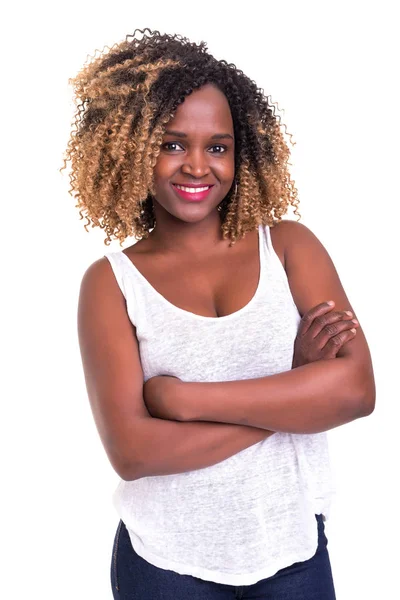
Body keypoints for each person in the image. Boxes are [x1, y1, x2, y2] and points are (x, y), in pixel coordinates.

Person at [61, 28, 375, 599]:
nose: (197, 166)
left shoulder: (289, 248)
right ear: (131, 148)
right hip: (163, 564)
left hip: (293, 551)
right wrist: (296, 391)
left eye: (218, 146)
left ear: (242, 153)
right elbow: (133, 453)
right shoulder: (110, 284)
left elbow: (355, 391)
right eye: (173, 143)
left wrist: (186, 402)